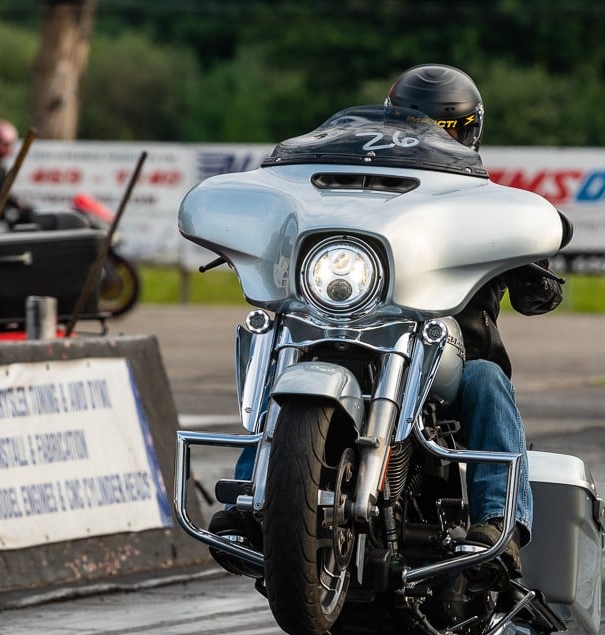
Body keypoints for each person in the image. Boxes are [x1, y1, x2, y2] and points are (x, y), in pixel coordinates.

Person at [209, 64, 563, 576]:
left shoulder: (483, 203)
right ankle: (250, 496)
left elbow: (537, 283)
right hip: (349, 324)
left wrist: (531, 265)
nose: (425, 138)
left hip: (441, 345)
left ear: (468, 132)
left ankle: (500, 523)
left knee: (486, 380)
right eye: (412, 123)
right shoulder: (351, 192)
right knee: (284, 345)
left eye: (444, 131)